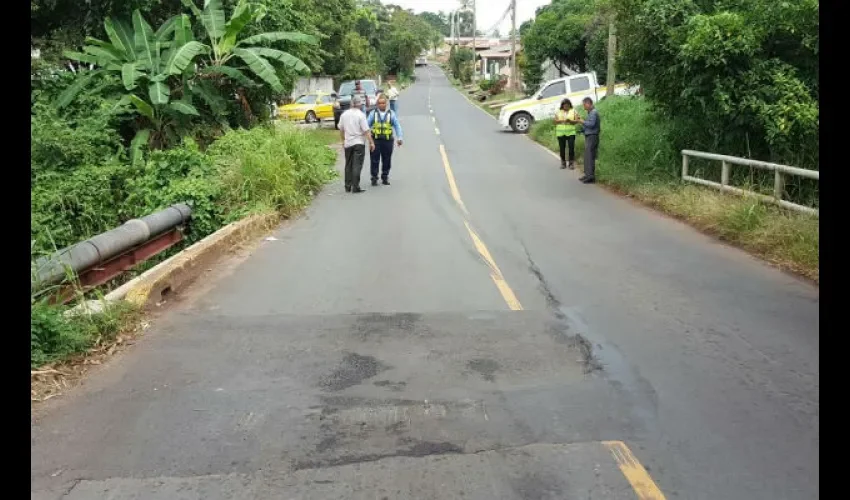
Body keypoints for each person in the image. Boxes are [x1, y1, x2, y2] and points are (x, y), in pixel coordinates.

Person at [338, 95, 374, 193]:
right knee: (357, 165)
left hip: (348, 143)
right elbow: (366, 131)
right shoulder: (361, 115)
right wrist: (371, 143)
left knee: (348, 164)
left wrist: (343, 141)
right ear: (359, 104)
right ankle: (355, 186)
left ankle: (347, 186)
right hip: (358, 142)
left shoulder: (344, 114)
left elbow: (341, 129)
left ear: (351, 103)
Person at [367, 96, 404, 186]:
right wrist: (369, 140)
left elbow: (397, 126)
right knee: (374, 160)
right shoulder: (373, 114)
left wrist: (400, 138)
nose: (381, 105)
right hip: (376, 140)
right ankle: (374, 178)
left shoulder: (391, 113)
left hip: (387, 141)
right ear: (377, 104)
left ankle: (385, 176)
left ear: (386, 104)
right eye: (379, 103)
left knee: (386, 160)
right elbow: (366, 126)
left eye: (383, 103)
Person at [576, 97, 600, 184]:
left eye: (584, 105)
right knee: (587, 156)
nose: (584, 107)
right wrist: (581, 128)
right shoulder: (590, 113)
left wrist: (582, 121)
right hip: (589, 136)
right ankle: (587, 175)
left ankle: (590, 177)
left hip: (592, 137)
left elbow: (592, 124)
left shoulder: (594, 113)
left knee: (590, 157)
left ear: (589, 104)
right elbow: (588, 125)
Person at [553, 99, 579, 170]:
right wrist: (561, 120)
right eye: (564, 105)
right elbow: (554, 122)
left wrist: (570, 121)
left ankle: (571, 163)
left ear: (569, 105)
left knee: (571, 148)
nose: (566, 107)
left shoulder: (574, 111)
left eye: (567, 105)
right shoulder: (558, 112)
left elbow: (577, 121)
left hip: (571, 133)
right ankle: (563, 163)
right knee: (562, 149)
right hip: (560, 133)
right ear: (562, 105)